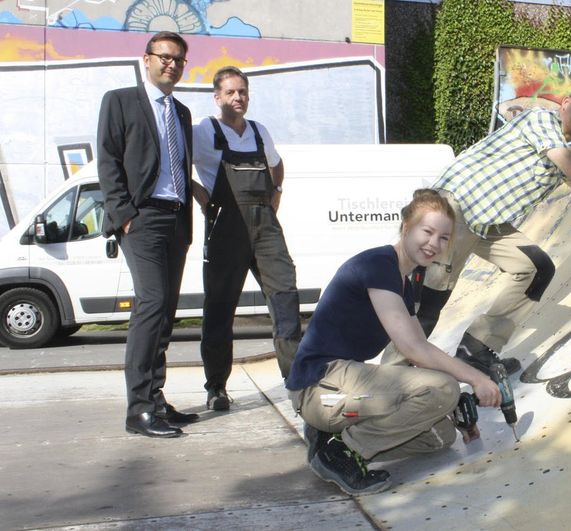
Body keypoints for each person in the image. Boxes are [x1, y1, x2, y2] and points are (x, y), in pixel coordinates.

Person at [414, 85, 571, 376]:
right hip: (452, 209)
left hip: (485, 222)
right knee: (429, 301)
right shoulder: (541, 120)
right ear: (566, 103)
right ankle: (391, 383)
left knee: (535, 267)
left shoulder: (559, 149)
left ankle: (476, 350)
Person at [286, 189, 502, 496]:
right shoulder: (379, 265)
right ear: (406, 228)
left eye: (443, 237)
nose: (434, 244)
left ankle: (331, 435)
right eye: (427, 232)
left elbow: (412, 347)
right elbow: (415, 349)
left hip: (346, 393)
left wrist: (452, 411)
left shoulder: (407, 282)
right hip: (320, 388)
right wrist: (475, 378)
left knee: (440, 435)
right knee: (442, 389)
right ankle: (342, 452)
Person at [97, 31, 198, 438]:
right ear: (147, 59)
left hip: (176, 220)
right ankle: (138, 409)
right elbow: (108, 157)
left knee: (165, 315)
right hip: (142, 220)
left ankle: (156, 400)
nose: (171, 64)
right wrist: (124, 215)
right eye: (165, 57)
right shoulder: (120, 101)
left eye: (178, 59)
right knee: (151, 305)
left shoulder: (182, 112)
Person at [191, 66, 301, 410]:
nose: (238, 98)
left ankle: (296, 381)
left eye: (243, 92)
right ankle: (217, 388)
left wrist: (277, 191)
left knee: (284, 297)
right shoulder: (202, 132)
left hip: (265, 225)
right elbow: (178, 169)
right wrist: (202, 198)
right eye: (230, 93)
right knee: (220, 308)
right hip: (226, 226)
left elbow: (277, 165)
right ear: (217, 97)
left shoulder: (258, 131)